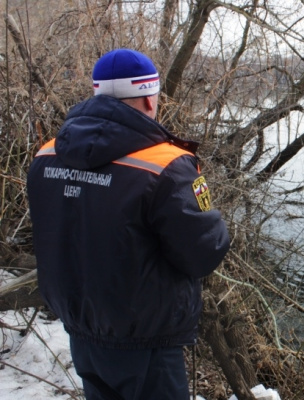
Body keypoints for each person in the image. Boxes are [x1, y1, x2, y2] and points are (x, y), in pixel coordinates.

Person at [27, 49, 230, 399]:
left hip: (81, 330)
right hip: (147, 342)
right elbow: (203, 253)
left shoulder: (45, 156)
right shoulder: (167, 165)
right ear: (151, 100)